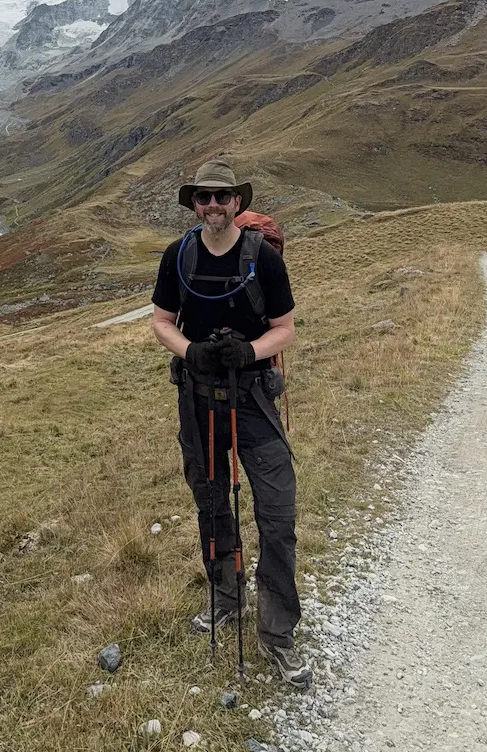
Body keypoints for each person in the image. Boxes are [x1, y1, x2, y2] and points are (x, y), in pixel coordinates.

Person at [150, 158, 311, 689]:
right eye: (203, 197)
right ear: (193, 204)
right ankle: (225, 599)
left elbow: (284, 329)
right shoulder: (179, 256)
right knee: (212, 502)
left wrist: (249, 352)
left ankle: (278, 633)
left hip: (253, 401)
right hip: (199, 401)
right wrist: (191, 351)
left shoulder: (263, 258)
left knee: (276, 514)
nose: (213, 205)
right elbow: (161, 322)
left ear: (237, 203)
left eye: (222, 197)